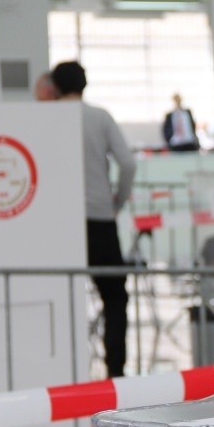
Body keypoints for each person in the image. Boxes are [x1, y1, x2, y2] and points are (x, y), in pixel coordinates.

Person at [52, 60, 135, 378]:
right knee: (114, 296)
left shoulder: (48, 118)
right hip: (99, 218)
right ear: (84, 84)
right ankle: (116, 371)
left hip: (60, 222)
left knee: (60, 295)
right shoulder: (100, 117)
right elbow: (128, 163)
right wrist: (118, 200)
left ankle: (63, 369)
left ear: (55, 87)